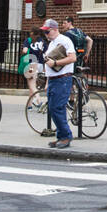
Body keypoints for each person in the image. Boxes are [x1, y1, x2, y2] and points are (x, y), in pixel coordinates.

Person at [40, 18, 76, 149]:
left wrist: (55, 63)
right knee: (53, 109)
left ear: (55, 29)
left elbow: (73, 58)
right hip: (54, 80)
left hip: (62, 79)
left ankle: (66, 136)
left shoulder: (64, 40)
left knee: (57, 108)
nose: (46, 34)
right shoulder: (52, 43)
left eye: (47, 32)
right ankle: (61, 137)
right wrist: (47, 82)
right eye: (44, 32)